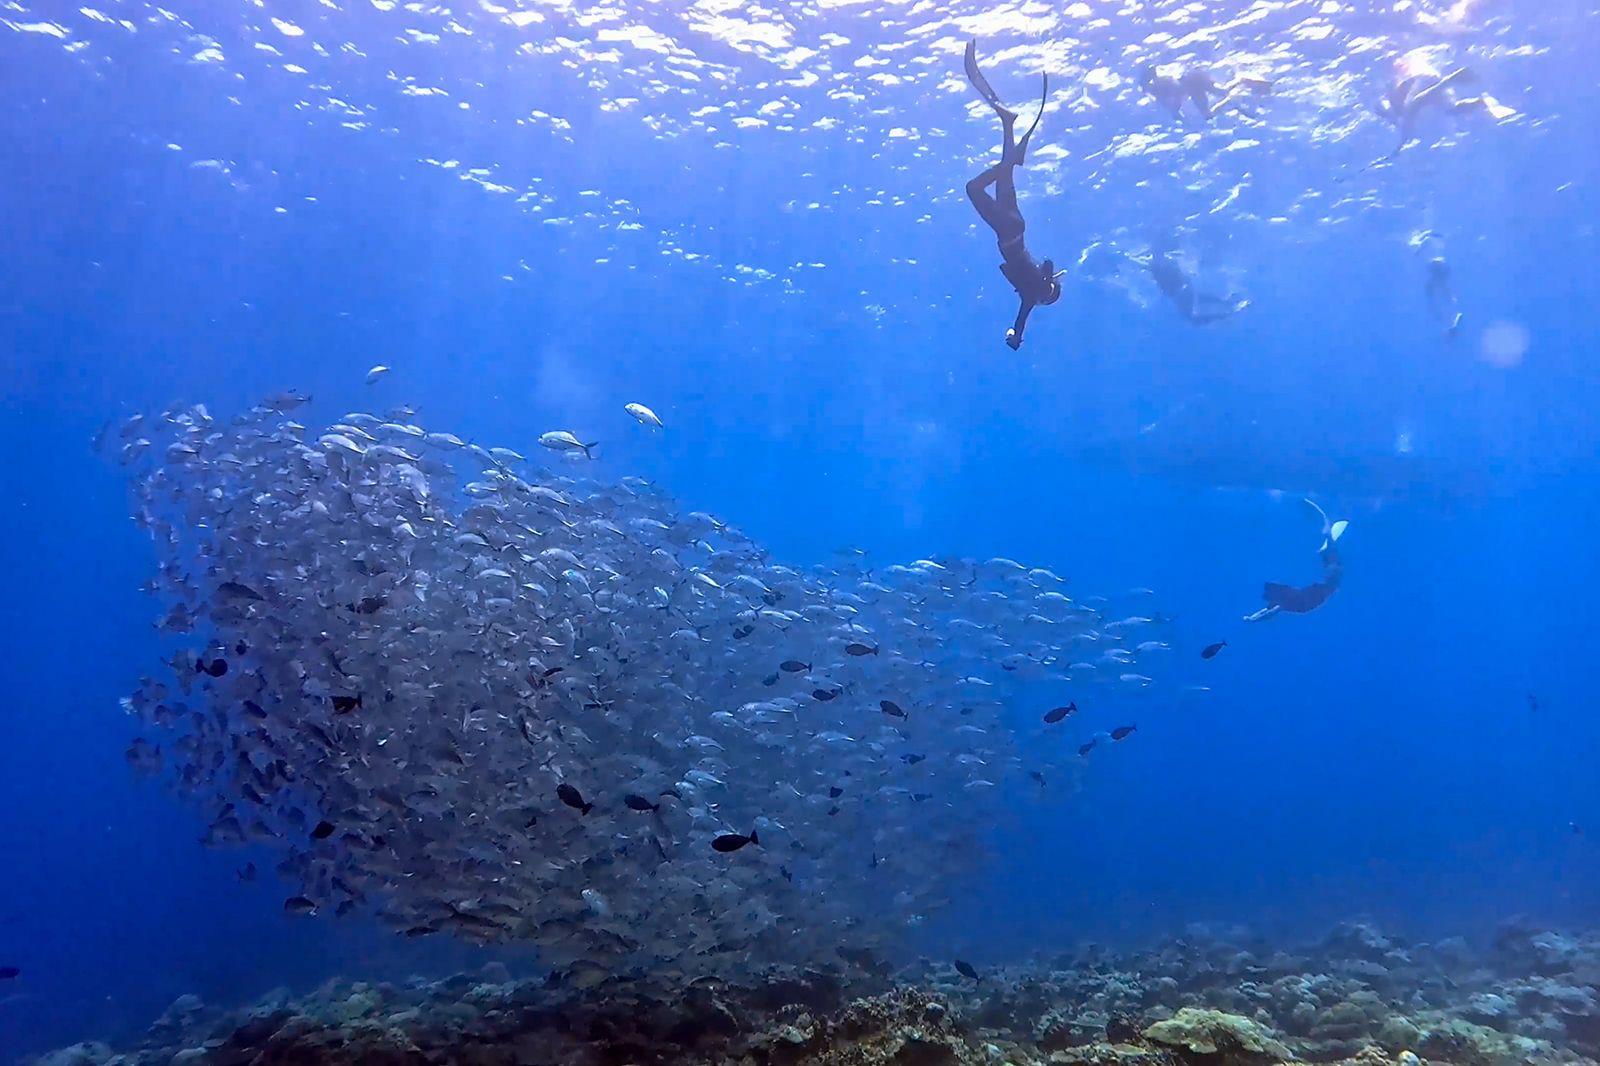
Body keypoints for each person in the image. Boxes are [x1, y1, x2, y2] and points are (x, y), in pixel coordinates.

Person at [964, 39, 1062, 351]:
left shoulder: (1035, 287)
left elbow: (1046, 264)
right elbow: (1022, 317)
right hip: (1007, 231)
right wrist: (1016, 337)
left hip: (1015, 226)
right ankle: (1009, 156)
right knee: (973, 188)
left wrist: (1049, 279)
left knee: (1003, 175)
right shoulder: (1033, 294)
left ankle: (1008, 129)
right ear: (1047, 295)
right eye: (1047, 298)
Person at [1245, 499, 1348, 622]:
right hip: (1318, 589)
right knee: (1329, 556)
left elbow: (1270, 611)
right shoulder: (1294, 600)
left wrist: (1253, 618)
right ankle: (1326, 535)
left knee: (1328, 554)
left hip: (1316, 589)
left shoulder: (1289, 601)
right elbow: (1270, 611)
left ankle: (1326, 535)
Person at [1146, 241, 1249, 324]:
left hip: (1179, 292)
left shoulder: (1156, 264)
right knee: (1199, 300)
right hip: (1183, 288)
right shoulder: (1167, 260)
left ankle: (1227, 311)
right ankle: (1227, 305)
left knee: (1192, 317)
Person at [1139, 65, 1273, 124]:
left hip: (1193, 81)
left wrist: (1177, 112)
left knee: (1221, 94)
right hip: (1193, 84)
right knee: (1212, 109)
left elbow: (1176, 92)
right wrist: (1177, 112)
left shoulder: (1158, 87)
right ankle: (1234, 96)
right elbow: (1176, 99)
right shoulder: (1158, 87)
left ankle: (1241, 83)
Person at [1417, 231, 1463, 338]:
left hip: (1438, 274)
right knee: (1443, 298)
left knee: (1441, 299)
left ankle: (1449, 327)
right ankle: (1449, 326)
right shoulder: (1438, 276)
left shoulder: (1429, 249)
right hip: (1439, 274)